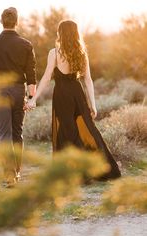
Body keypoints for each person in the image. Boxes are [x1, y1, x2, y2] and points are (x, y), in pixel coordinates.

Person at [26, 20, 121, 180]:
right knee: (88, 128)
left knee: (66, 130)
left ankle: (73, 171)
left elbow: (47, 78)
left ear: (60, 33)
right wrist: (93, 104)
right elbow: (88, 80)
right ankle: (99, 167)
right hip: (77, 94)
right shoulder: (82, 52)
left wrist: (33, 99)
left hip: (62, 95)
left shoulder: (54, 53)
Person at [0, 7, 36, 186]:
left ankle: (9, 175)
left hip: (0, 91)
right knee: (17, 133)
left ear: (1, 21)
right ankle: (17, 172)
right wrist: (31, 97)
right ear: (17, 22)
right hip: (19, 91)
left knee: (4, 133)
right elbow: (31, 74)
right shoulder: (26, 44)